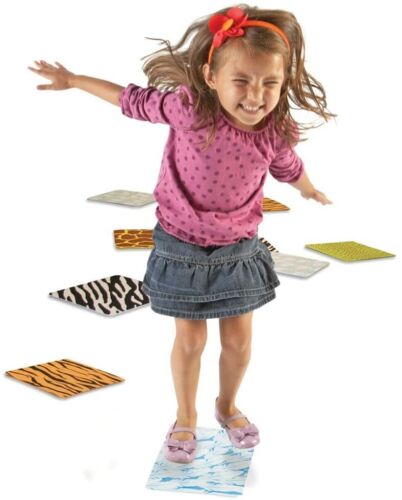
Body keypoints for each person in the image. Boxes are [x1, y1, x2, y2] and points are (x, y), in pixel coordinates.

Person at [28, 4, 334, 464]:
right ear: (211, 76)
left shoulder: (273, 130)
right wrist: (73, 80)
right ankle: (185, 415)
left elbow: (289, 166)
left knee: (239, 343)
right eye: (241, 81)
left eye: (269, 83)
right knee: (190, 342)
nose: (255, 96)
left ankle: (226, 407)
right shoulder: (189, 108)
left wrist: (309, 189)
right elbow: (129, 100)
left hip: (238, 249)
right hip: (180, 245)